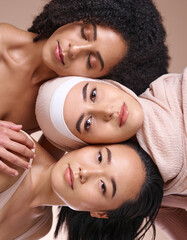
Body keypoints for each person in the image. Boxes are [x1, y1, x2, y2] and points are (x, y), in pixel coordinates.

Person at [0, 0, 169, 176]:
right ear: (76, 16)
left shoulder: (59, 111)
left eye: (90, 61)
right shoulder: (3, 42)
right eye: (84, 34)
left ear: (98, 79)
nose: (74, 49)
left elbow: (39, 176)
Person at [35, 68, 187, 239]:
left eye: (93, 94)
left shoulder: (170, 93)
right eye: (88, 123)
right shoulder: (146, 190)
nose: (106, 110)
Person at [0, 133, 163, 240]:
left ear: (100, 213)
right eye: (99, 157)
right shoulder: (13, 155)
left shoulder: (40, 227)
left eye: (103, 186)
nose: (85, 172)